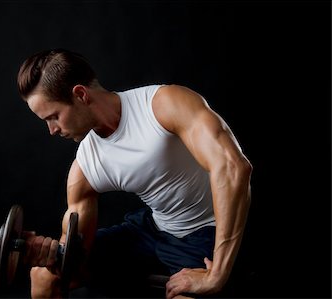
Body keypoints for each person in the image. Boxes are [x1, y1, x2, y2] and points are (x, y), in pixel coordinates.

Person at [16, 48, 252, 298]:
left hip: (207, 232)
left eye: (54, 117)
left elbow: (233, 167)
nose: (51, 130)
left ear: (80, 94)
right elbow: (75, 257)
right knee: (42, 275)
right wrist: (53, 254)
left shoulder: (163, 105)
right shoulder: (85, 165)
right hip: (153, 229)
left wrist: (217, 276)